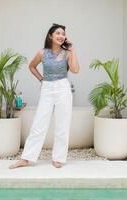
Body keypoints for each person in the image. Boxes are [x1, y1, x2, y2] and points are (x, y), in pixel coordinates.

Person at [9, 23, 80, 169]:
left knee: (62, 125)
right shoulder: (42, 53)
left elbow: (75, 70)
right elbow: (31, 66)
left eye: (63, 34)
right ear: (50, 36)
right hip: (47, 88)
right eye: (58, 33)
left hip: (63, 88)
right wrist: (41, 80)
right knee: (39, 124)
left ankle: (58, 158)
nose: (61, 36)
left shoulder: (67, 53)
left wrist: (72, 51)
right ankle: (27, 158)